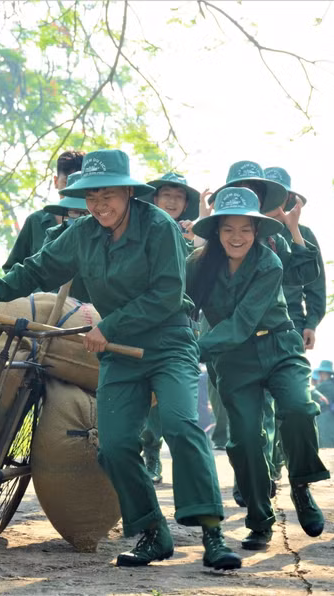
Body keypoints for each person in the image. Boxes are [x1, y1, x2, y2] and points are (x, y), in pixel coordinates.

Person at [0, 149, 241, 570]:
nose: (99, 205)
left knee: (181, 426)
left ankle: (212, 533)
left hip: (169, 340)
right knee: (113, 445)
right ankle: (151, 532)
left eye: (108, 195)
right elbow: (35, 269)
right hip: (117, 353)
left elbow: (165, 293)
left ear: (128, 192)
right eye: (91, 197)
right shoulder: (83, 233)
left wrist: (110, 326)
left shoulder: (158, 226)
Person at [188, 186, 329, 551]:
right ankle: (259, 518)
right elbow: (180, 307)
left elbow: (242, 321)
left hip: (279, 346)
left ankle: (301, 485)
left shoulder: (270, 263)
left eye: (246, 229)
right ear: (216, 231)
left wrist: (194, 349)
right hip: (234, 361)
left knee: (299, 409)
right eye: (228, 229)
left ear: (257, 231)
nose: (238, 237)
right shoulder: (197, 265)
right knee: (245, 439)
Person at [137, 172, 202, 484]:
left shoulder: (195, 235)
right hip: (137, 322)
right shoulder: (140, 228)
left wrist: (193, 242)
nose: (172, 201)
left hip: (177, 327)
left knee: (166, 402)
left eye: (179, 196)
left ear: (186, 203)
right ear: (155, 199)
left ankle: (154, 457)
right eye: (166, 195)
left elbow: (198, 280)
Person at [263, 167, 326, 350]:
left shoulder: (302, 233)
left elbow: (316, 283)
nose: (273, 201)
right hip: (248, 321)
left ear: (289, 199)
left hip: (291, 321)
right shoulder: (244, 230)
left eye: (279, 195)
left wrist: (311, 323)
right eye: (268, 194)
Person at [2, 149, 84, 273]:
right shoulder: (35, 221)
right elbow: (12, 269)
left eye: (79, 183)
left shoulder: (97, 222)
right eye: (66, 182)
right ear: (56, 182)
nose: (71, 190)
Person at [40, 171, 92, 303]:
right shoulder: (55, 235)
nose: (80, 219)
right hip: (60, 310)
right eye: (75, 212)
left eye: (85, 213)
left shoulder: (109, 237)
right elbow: (40, 271)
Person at [311, 360, 334, 449]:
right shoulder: (333, 385)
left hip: (326, 420)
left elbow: (311, 392)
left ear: (328, 374)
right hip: (331, 420)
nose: (321, 375)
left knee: (325, 446)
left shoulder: (326, 385)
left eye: (323, 373)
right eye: (320, 373)